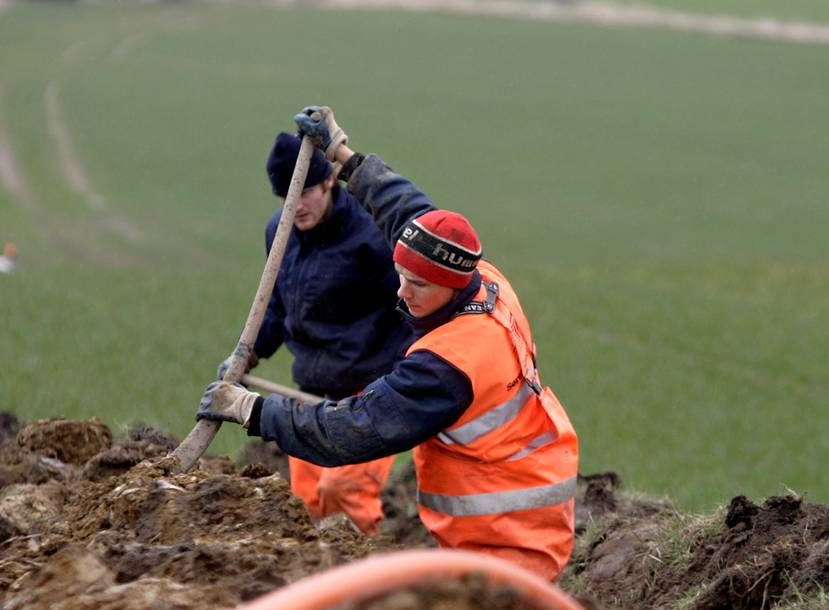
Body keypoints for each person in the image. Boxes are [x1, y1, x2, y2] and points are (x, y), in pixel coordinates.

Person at [198, 106, 578, 581]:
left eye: (417, 285)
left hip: (506, 536)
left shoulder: (445, 364)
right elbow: (409, 211)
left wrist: (251, 411)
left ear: (448, 285)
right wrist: (342, 152)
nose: (401, 292)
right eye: (401, 276)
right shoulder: (480, 277)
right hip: (507, 501)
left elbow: (354, 430)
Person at [223, 132, 413, 533]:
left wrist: (408, 380)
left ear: (329, 181)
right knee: (307, 507)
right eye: (286, 196)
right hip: (311, 395)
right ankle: (323, 587)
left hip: (371, 395)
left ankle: (366, 587)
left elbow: (411, 307)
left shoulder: (370, 236)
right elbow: (275, 306)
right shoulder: (279, 232)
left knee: (344, 494)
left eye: (306, 192)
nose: (297, 206)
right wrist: (249, 355)